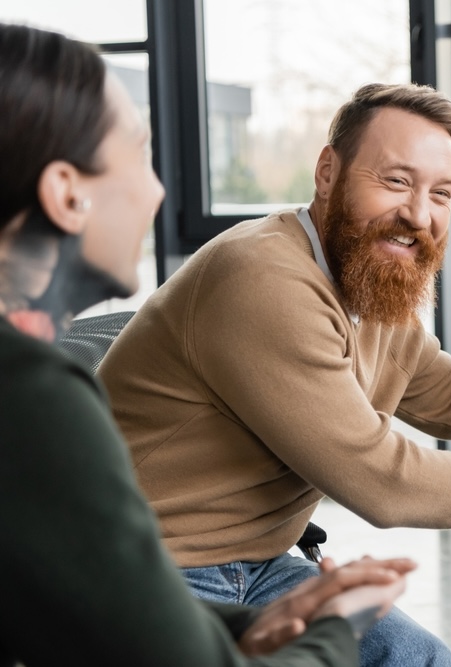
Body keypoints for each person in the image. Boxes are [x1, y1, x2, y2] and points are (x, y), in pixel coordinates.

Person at [97, 82, 451, 665]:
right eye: (396, 181)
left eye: (441, 193)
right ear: (328, 173)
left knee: (420, 659)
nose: (419, 214)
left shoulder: (365, 281)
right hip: (146, 569)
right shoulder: (264, 281)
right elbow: (384, 483)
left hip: (260, 568)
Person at [0, 22, 415, 667]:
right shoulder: (31, 395)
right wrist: (336, 624)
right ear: (65, 193)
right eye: (140, 156)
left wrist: (247, 623)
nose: (160, 191)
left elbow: (71, 605)